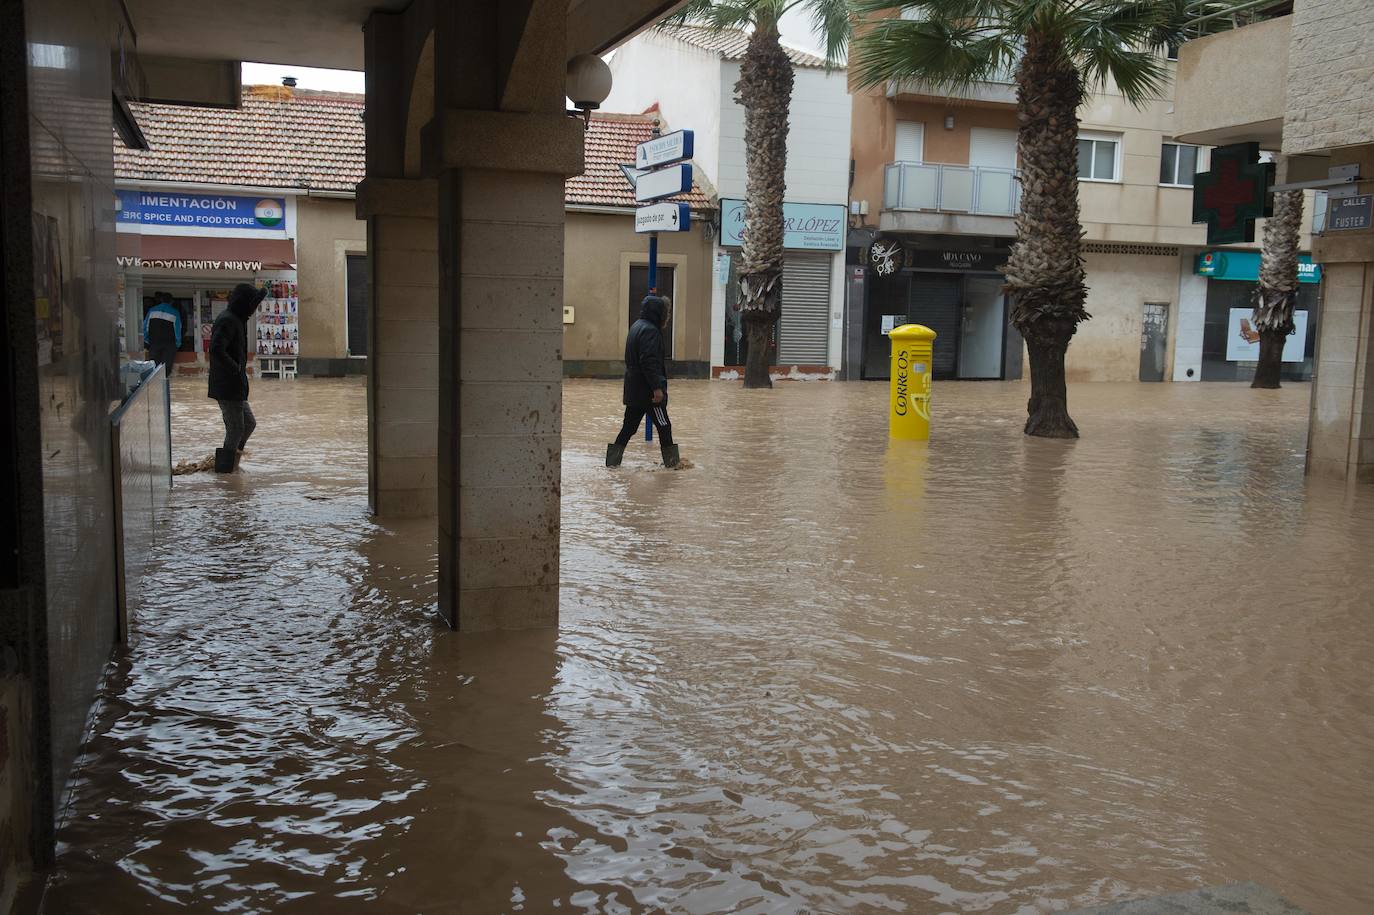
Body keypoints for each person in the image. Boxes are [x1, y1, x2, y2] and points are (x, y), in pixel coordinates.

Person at [607, 294, 680, 468]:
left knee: (628, 428)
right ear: (659, 313)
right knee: (664, 426)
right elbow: (649, 361)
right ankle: (673, 467)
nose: (667, 317)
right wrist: (657, 388)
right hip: (648, 392)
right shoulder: (650, 331)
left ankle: (612, 464)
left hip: (634, 389)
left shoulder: (636, 326)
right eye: (666, 313)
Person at [208, 282, 267, 473]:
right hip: (227, 386)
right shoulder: (228, 320)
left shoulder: (236, 319)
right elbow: (216, 349)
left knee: (248, 424)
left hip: (235, 386)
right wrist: (235, 368)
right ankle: (225, 472)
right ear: (244, 303)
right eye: (253, 304)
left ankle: (233, 461)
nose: (254, 308)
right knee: (235, 429)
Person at [142, 291, 182, 374]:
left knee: (153, 366)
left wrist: (147, 340)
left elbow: (145, 327)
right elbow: (177, 330)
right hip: (169, 344)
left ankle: (154, 385)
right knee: (166, 368)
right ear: (171, 301)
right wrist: (177, 343)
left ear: (161, 300)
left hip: (154, 342)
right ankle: (165, 384)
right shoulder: (175, 312)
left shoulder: (152, 311)